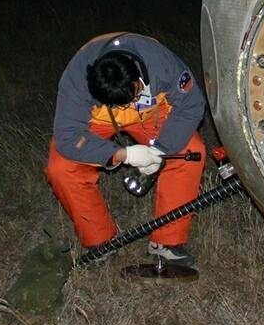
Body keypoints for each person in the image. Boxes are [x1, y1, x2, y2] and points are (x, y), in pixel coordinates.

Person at [46, 33, 207, 268]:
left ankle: (167, 243)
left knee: (191, 151)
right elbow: (68, 136)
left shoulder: (162, 64)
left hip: (150, 110)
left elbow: (192, 104)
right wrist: (125, 154)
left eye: (131, 96)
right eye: (121, 104)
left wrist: (161, 150)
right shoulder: (77, 78)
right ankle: (100, 241)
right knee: (61, 168)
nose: (127, 107)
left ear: (137, 76)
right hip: (100, 117)